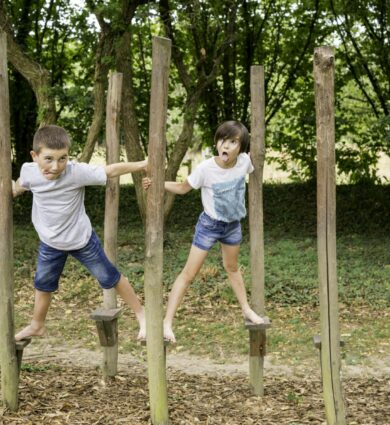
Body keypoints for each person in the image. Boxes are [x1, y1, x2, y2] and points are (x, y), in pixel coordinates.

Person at [13, 124, 147, 341]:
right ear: (34, 156)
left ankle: (142, 316)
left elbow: (110, 170)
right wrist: (12, 190)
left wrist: (143, 164)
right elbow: (21, 184)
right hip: (50, 242)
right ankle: (37, 326)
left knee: (110, 277)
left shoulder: (76, 172)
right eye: (48, 159)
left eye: (63, 158)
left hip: (81, 240)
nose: (56, 166)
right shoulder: (29, 171)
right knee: (43, 285)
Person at [143, 120, 265, 343]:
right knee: (189, 274)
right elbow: (182, 188)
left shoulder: (245, 162)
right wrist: (157, 183)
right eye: (222, 140)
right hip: (209, 226)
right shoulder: (206, 169)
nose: (225, 145)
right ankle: (166, 322)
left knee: (232, 268)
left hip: (233, 226)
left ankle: (246, 309)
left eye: (232, 142)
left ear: (242, 146)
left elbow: (257, 148)